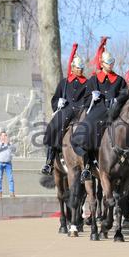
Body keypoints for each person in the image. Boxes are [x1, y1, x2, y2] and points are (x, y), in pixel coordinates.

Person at [71, 37, 127, 182]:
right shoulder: (93, 80)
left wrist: (119, 100)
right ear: (102, 64)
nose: (110, 65)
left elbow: (125, 95)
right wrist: (93, 97)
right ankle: (88, 165)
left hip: (116, 111)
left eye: (112, 62)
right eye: (108, 63)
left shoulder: (120, 80)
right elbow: (86, 100)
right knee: (87, 130)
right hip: (99, 110)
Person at [41, 43, 88, 174]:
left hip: (80, 112)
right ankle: (49, 162)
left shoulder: (87, 83)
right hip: (66, 110)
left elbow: (88, 98)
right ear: (72, 68)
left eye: (82, 68)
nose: (80, 70)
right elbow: (55, 98)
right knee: (54, 127)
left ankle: (90, 163)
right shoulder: (64, 82)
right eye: (78, 68)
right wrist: (58, 103)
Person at [0, 131, 16, 198]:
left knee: (10, 178)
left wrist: (8, 144)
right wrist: (1, 144)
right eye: (3, 135)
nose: (4, 137)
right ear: (0, 136)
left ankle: (12, 192)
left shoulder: (9, 143)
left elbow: (14, 149)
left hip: (8, 163)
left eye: (5, 135)